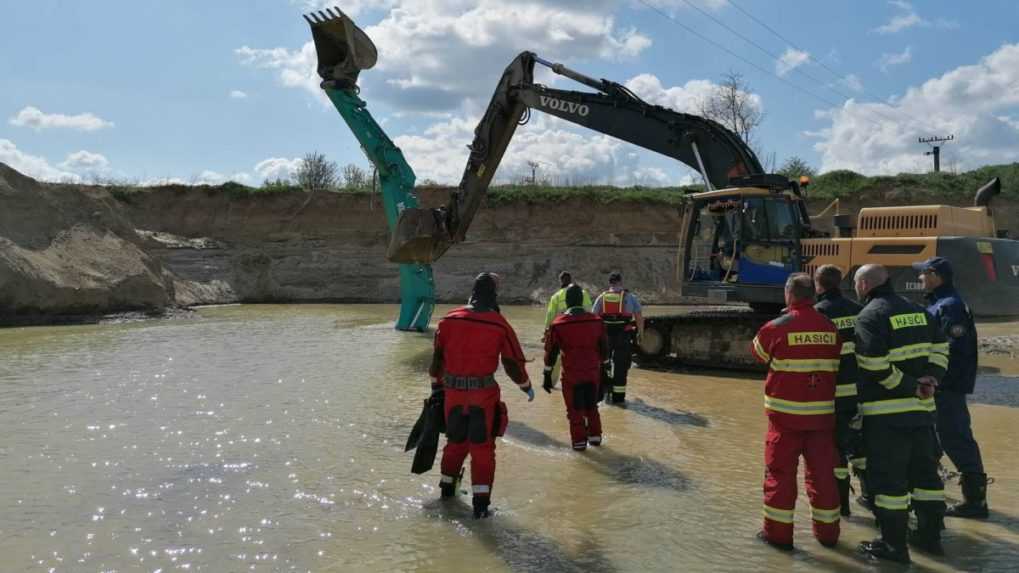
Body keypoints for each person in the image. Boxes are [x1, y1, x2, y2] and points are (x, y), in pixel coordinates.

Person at [853, 264, 950, 563]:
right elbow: (941, 348)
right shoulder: (921, 311)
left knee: (889, 484)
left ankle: (894, 548)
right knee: (927, 480)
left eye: (856, 283)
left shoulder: (870, 316)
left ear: (866, 284)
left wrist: (910, 386)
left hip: (886, 417)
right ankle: (930, 541)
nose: (856, 288)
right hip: (923, 414)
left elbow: (873, 364)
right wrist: (931, 379)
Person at [428, 272, 535, 518]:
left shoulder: (448, 320)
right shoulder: (498, 323)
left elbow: (437, 361)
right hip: (482, 396)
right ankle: (481, 507)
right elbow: (512, 363)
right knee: (482, 449)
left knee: (454, 444)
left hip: (452, 394)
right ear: (493, 295)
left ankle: (447, 493)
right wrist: (525, 385)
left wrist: (436, 387)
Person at [751, 273, 842, 551]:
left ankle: (778, 537)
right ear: (812, 296)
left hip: (784, 421)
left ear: (789, 294)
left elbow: (759, 356)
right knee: (824, 477)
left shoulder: (775, 327)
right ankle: (828, 536)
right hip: (822, 420)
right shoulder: (830, 327)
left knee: (779, 476)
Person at [913, 256, 988, 519]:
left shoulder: (950, 306)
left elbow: (953, 350)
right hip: (942, 386)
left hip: (947, 387)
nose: (919, 278)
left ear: (934, 275)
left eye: (923, 274)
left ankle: (976, 503)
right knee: (936, 437)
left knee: (955, 437)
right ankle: (931, 491)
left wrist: (935, 380)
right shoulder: (941, 303)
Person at [812, 265, 866, 516]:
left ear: (817, 284)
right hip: (861, 393)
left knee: (836, 453)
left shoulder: (817, 315)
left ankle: (842, 506)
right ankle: (870, 497)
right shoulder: (860, 310)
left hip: (832, 396)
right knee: (862, 448)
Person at [543, 284, 610, 451]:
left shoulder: (559, 324)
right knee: (592, 407)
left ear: (567, 302)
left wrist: (547, 375)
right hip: (592, 373)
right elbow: (605, 351)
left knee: (575, 411)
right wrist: (605, 373)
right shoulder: (597, 321)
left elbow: (551, 353)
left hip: (572, 375)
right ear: (581, 301)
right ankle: (595, 439)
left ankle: (579, 445)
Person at [592, 272, 643, 404]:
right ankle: (618, 399)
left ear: (610, 283)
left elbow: (593, 318)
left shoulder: (601, 298)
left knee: (603, 364)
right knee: (621, 366)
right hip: (623, 336)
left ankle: (603, 393)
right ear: (620, 282)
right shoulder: (630, 297)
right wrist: (640, 333)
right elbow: (638, 316)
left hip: (605, 337)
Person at [544, 271, 593, 384]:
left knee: (555, 357)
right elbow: (590, 311)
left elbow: (550, 316)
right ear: (571, 279)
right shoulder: (582, 293)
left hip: (561, 330)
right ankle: (579, 381)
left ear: (560, 281)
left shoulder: (556, 296)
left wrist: (546, 333)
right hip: (581, 330)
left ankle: (551, 384)